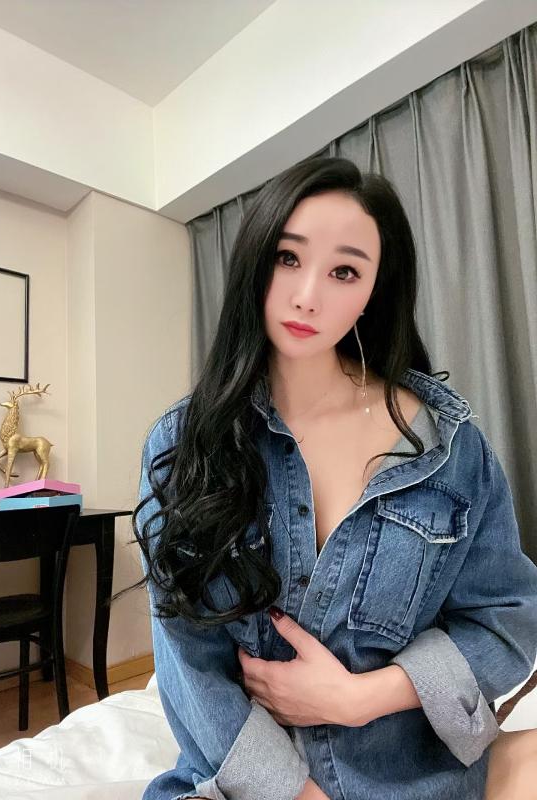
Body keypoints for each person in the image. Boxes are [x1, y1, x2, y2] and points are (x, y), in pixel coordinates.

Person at [132, 156, 537, 799]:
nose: (307, 295)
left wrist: (358, 698)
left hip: (412, 777)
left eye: (344, 271)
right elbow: (190, 661)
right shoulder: (186, 444)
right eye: (288, 258)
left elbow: (506, 620)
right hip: (243, 787)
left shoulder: (449, 447)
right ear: (256, 261)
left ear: (376, 287)